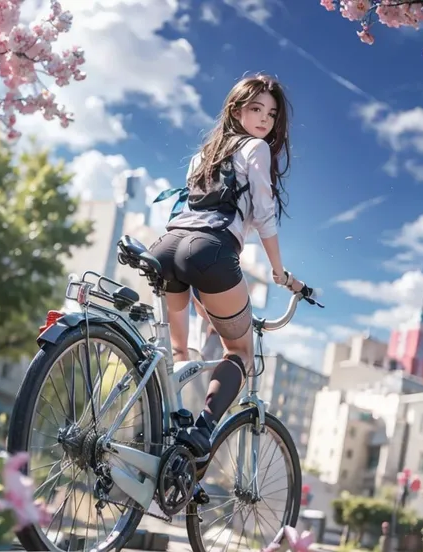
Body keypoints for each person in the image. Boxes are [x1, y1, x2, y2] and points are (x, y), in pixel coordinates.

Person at [148, 74, 314, 474]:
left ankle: (164, 439)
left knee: (179, 353)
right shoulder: (256, 148)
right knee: (239, 352)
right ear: (235, 110)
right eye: (255, 109)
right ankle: (202, 434)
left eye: (271, 114)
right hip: (210, 251)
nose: (264, 120)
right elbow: (263, 211)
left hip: (167, 246)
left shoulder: (201, 155)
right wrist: (279, 272)